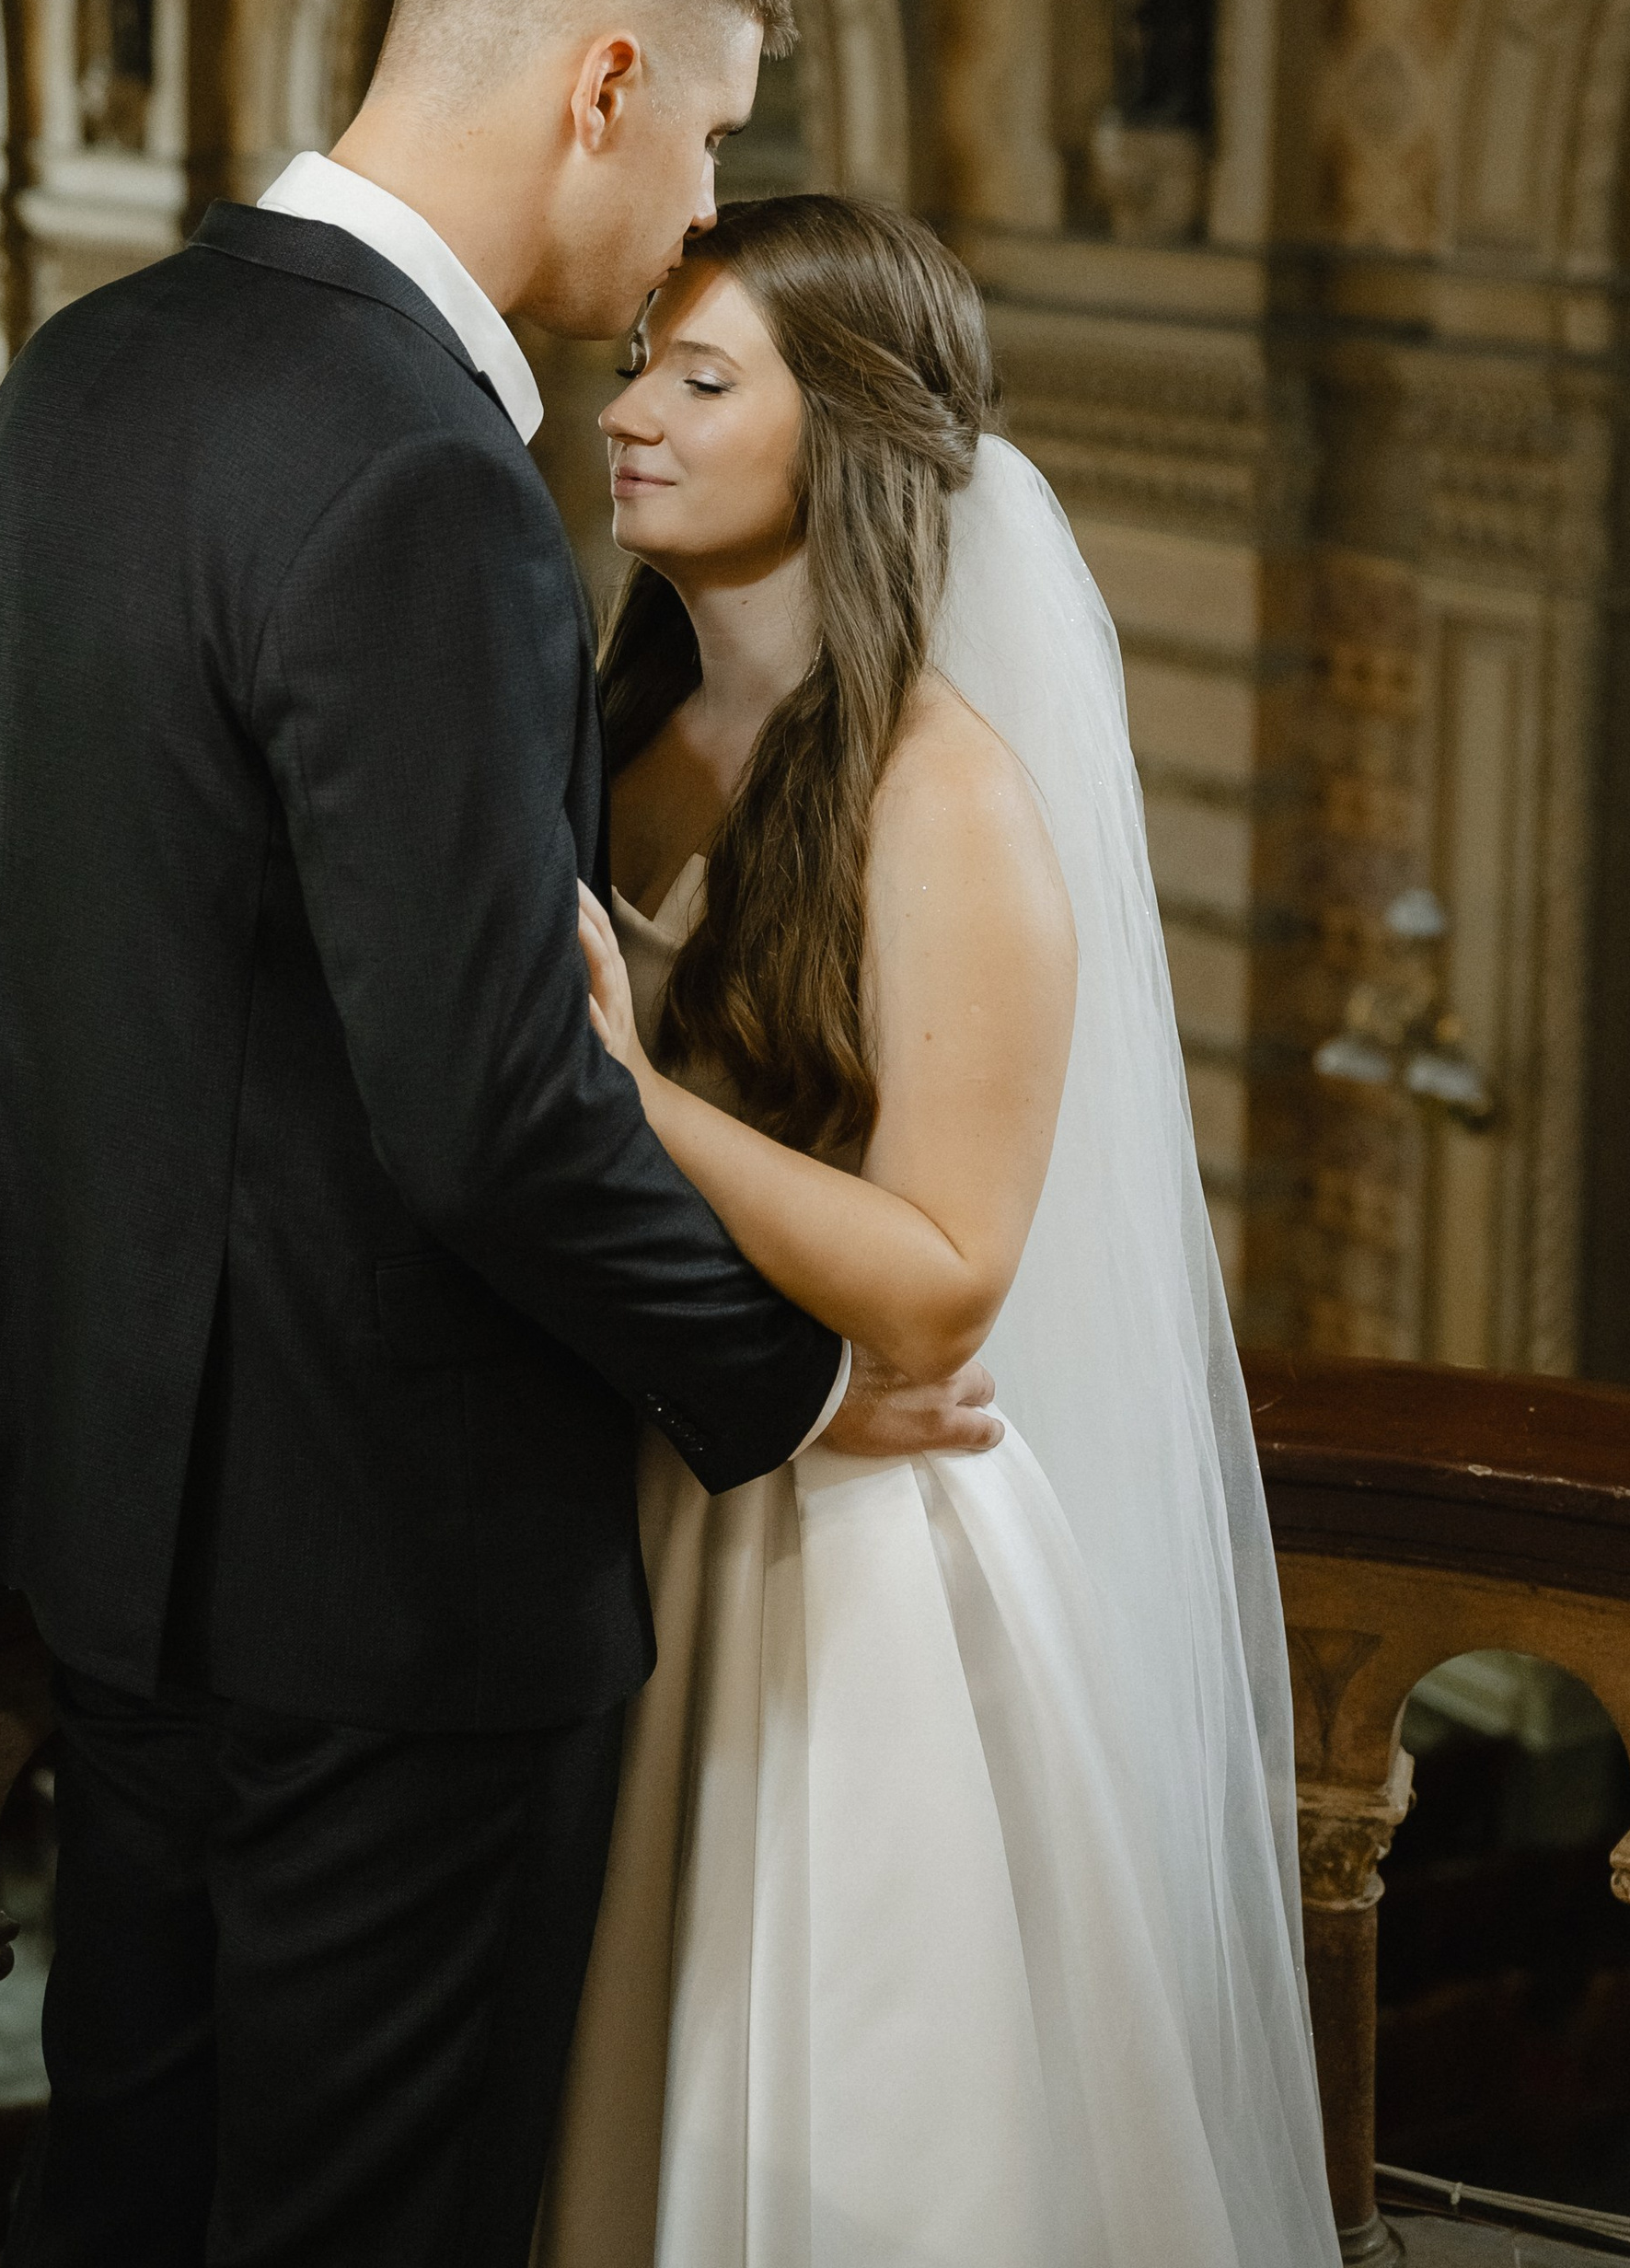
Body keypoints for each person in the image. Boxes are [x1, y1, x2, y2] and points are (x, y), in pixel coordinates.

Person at [0, 0, 998, 2268]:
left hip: (119, 1530)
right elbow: (481, 1105)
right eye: (704, 129)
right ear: (598, 82)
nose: (696, 207)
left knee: (135, 2196)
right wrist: (779, 1386)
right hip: (388, 1578)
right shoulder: (422, 478)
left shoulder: (90, 375)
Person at [537, 193, 1338, 2268]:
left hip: (846, 1571)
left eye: (700, 381)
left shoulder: (937, 793)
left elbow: (943, 1269)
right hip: (625, 1492)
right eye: (636, 362)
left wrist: (624, 1101)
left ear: (853, 441)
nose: (628, 415)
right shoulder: (607, 734)